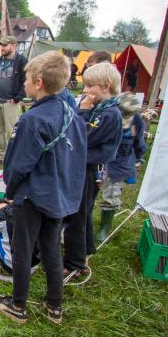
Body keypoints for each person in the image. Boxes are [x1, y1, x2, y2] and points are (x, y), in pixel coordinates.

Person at [0, 51, 86, 325]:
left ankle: (18, 305)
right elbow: (78, 159)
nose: (24, 84)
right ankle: (54, 305)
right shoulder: (73, 115)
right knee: (52, 248)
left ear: (39, 82)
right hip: (57, 196)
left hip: (31, 195)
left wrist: (9, 192)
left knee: (23, 248)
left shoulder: (33, 119)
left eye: (27, 79)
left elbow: (18, 164)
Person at [63, 62, 123, 277]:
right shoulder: (103, 109)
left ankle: (74, 263)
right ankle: (85, 250)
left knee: (76, 215)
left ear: (105, 87)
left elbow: (80, 135)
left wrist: (82, 112)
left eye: (90, 86)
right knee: (84, 211)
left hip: (89, 170)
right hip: (88, 168)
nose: (85, 91)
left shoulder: (108, 114)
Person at [96, 92, 147, 241]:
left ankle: (104, 227)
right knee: (89, 189)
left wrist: (137, 160)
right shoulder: (106, 115)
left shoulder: (136, 122)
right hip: (100, 159)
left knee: (111, 193)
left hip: (119, 162)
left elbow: (139, 143)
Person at [0, 35, 27, 164]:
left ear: (14, 46)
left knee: (12, 131)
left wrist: (17, 99)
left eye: (5, 45)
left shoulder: (21, 61)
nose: (2, 48)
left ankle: (14, 158)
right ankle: (1, 157)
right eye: (1, 45)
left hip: (11, 102)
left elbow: (26, 82)